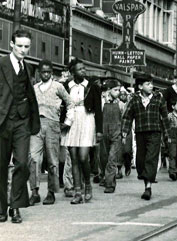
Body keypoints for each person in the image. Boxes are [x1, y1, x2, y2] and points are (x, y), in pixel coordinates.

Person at [0, 29, 40, 223]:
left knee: (22, 164)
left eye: (27, 47)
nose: (23, 50)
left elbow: (30, 95)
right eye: (20, 46)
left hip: (22, 122)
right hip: (2, 121)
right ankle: (1, 208)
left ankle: (15, 207)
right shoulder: (1, 64)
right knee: (0, 166)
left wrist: (33, 121)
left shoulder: (29, 68)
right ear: (11, 44)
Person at [28, 60, 73, 206]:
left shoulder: (58, 86)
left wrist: (67, 121)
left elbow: (70, 102)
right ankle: (34, 192)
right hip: (36, 125)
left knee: (52, 160)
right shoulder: (34, 88)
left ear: (52, 72)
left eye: (48, 72)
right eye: (43, 72)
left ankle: (51, 192)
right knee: (34, 158)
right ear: (39, 72)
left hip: (52, 124)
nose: (46, 74)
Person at [122, 74, 170, 200]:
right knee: (141, 160)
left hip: (155, 132)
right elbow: (128, 116)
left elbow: (165, 119)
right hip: (140, 133)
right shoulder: (134, 100)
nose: (151, 86)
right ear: (140, 86)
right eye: (148, 84)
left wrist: (167, 135)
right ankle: (146, 180)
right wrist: (124, 132)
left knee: (151, 158)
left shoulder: (158, 99)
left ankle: (148, 188)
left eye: (151, 84)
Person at [61, 58, 103, 204]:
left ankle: (88, 186)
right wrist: (62, 123)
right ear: (73, 72)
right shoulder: (67, 86)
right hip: (71, 121)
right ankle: (77, 192)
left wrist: (99, 130)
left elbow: (98, 109)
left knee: (83, 157)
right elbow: (62, 106)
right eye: (80, 69)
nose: (83, 71)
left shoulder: (92, 86)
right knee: (73, 158)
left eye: (84, 68)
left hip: (87, 120)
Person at [99, 79, 124, 193]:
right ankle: (105, 176)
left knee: (112, 158)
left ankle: (110, 184)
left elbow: (124, 118)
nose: (118, 92)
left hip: (116, 133)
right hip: (103, 132)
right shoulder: (101, 102)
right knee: (103, 157)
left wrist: (123, 133)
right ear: (108, 90)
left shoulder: (121, 104)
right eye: (115, 90)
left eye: (119, 90)